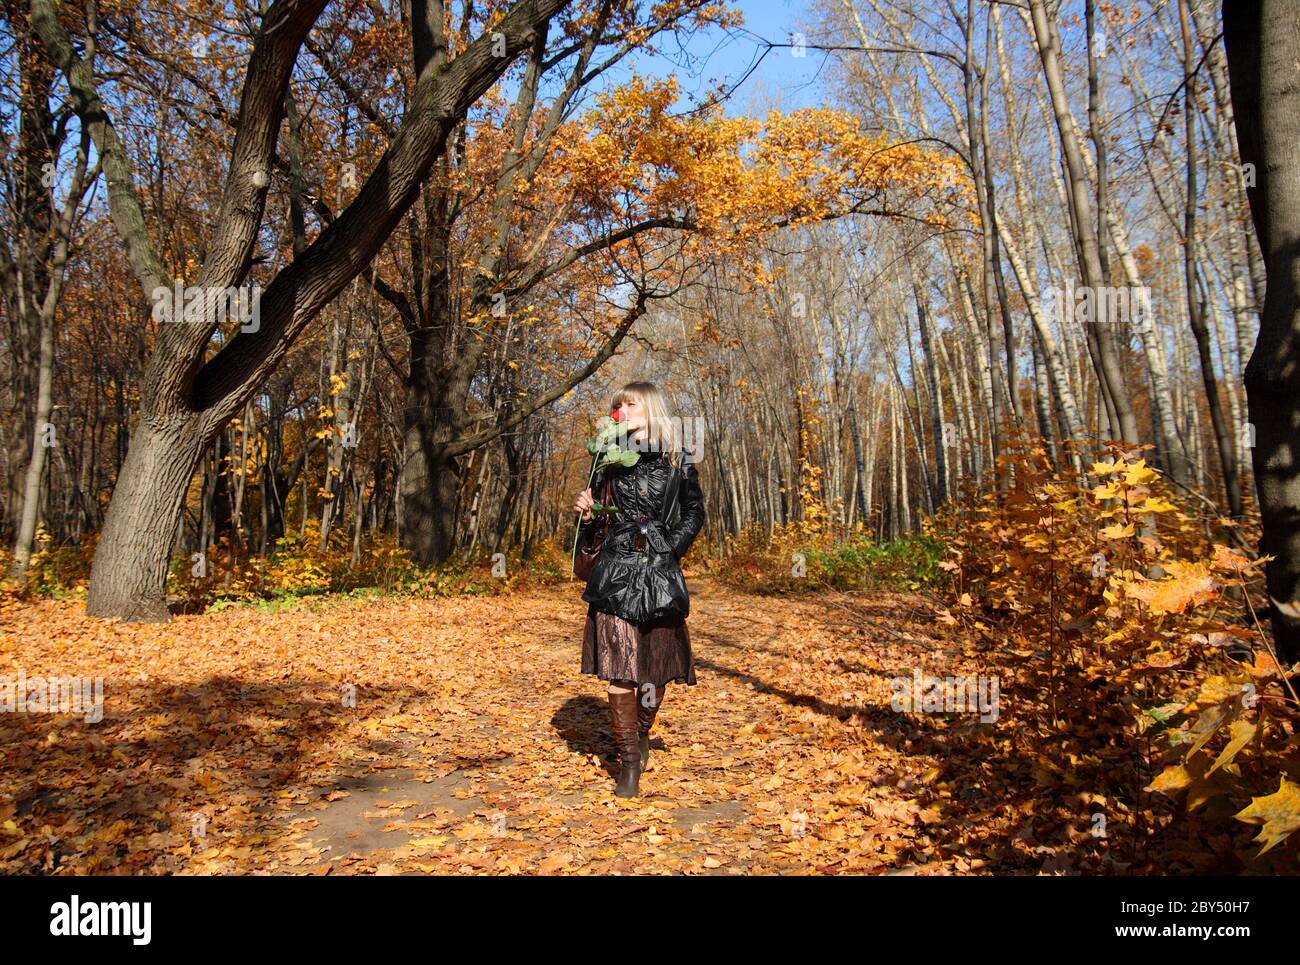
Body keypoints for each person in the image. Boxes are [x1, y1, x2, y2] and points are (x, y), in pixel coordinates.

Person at [573, 381, 705, 798]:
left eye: (630, 404)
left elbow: (694, 511)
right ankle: (629, 762)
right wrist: (588, 513)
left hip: (659, 571)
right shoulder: (607, 457)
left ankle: (642, 731)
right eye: (618, 406)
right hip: (615, 570)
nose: (621, 412)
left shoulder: (678, 456)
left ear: (650, 408)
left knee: (655, 669)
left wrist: (671, 547)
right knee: (620, 668)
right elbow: (599, 520)